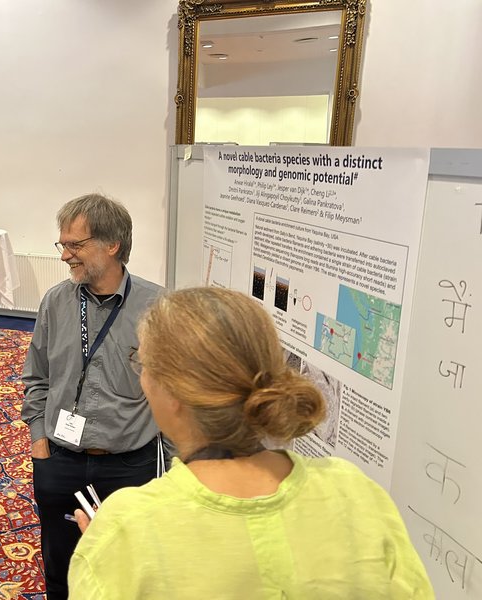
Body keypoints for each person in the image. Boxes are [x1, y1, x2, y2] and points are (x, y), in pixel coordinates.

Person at [67, 287, 434, 599]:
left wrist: (104, 555)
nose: (141, 378)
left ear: (175, 391)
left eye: (143, 363)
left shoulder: (128, 529)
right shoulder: (357, 493)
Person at [21, 193, 164, 599]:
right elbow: (36, 376)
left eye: (75, 245)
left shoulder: (158, 306)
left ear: (112, 244)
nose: (64, 255)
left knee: (127, 571)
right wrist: (39, 443)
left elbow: (173, 393)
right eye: (62, 243)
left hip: (129, 467)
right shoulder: (56, 301)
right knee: (61, 568)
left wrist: (170, 472)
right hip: (59, 460)